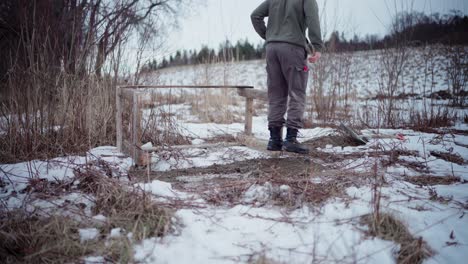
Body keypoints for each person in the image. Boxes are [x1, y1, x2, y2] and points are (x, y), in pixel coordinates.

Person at [251, 0, 323, 154]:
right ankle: (290, 139)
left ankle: (275, 140)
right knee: (297, 93)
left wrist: (270, 36)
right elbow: (312, 18)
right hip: (293, 48)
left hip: (272, 49)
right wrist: (317, 46)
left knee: (276, 94)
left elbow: (255, 16)